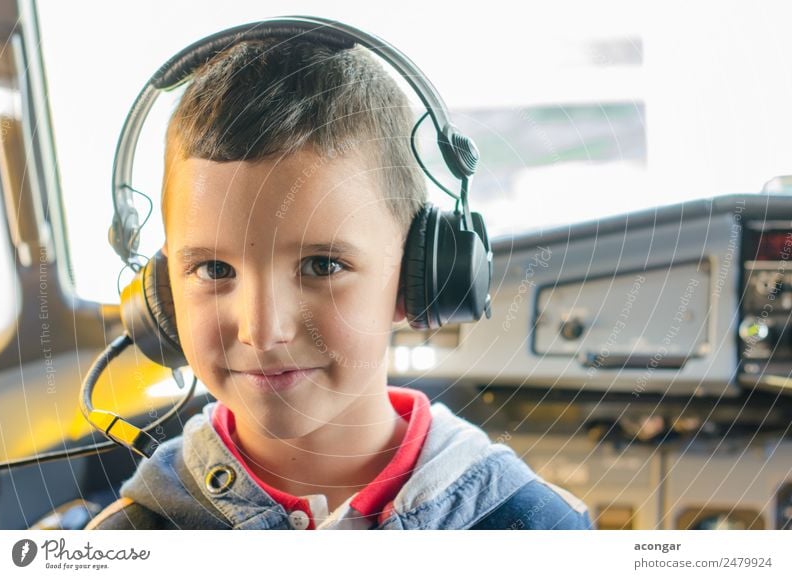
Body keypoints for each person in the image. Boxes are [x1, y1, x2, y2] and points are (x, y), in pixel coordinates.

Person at [87, 34, 594, 530]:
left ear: (422, 276)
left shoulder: (533, 526)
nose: (262, 332)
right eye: (214, 270)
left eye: (323, 266)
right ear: (161, 295)